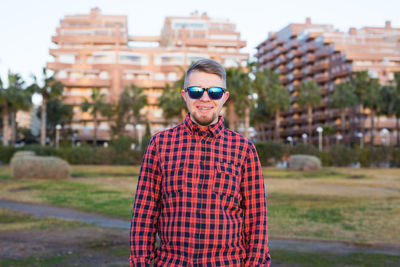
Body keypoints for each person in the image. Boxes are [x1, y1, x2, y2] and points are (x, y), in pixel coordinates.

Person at [129, 59, 270, 266]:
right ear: (185, 95)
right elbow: (145, 212)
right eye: (196, 91)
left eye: (214, 92)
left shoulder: (244, 149)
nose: (205, 98)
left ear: (224, 97)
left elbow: (256, 218)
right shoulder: (159, 144)